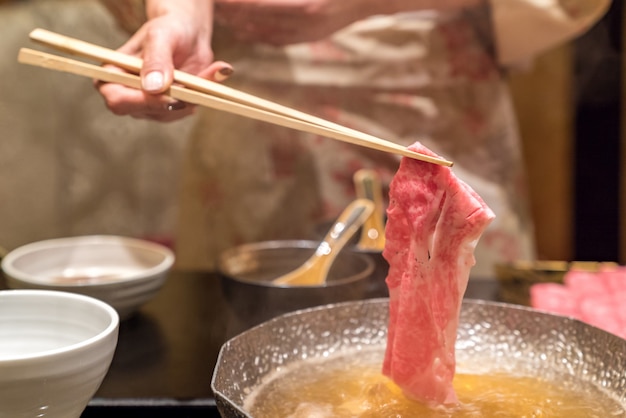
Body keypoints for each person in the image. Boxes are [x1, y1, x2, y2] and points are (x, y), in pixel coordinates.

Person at [97, 0, 610, 278]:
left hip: (438, 105)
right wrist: (180, 10)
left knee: (468, 352)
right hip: (246, 111)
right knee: (252, 353)